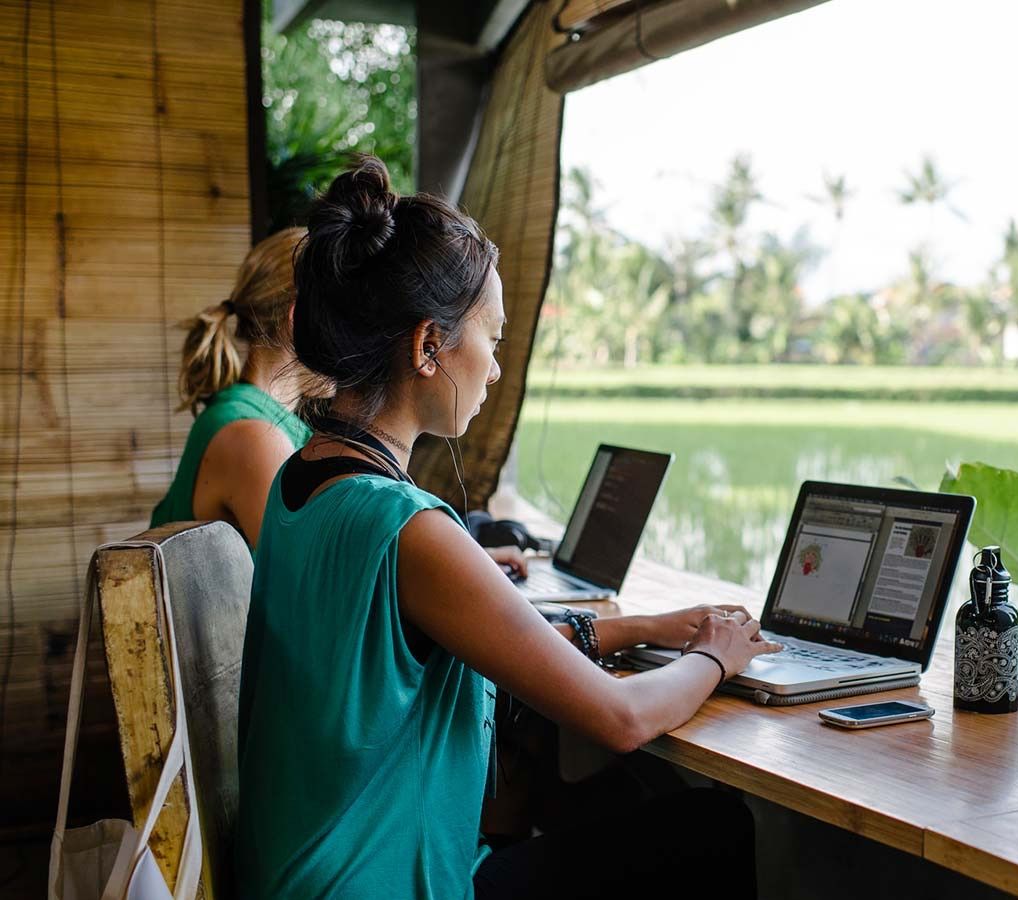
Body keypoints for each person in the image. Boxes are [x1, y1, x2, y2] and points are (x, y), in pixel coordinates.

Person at [234, 155, 780, 899]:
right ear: (429, 347)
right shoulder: (407, 528)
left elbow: (481, 639)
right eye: (491, 339)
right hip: (379, 887)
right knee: (712, 827)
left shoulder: (304, 483)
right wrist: (716, 656)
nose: (496, 371)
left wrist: (642, 627)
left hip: (300, 879)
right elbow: (620, 717)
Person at [148, 228, 316, 544]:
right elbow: (311, 587)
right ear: (302, 318)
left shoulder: (247, 416)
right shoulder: (254, 438)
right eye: (347, 320)